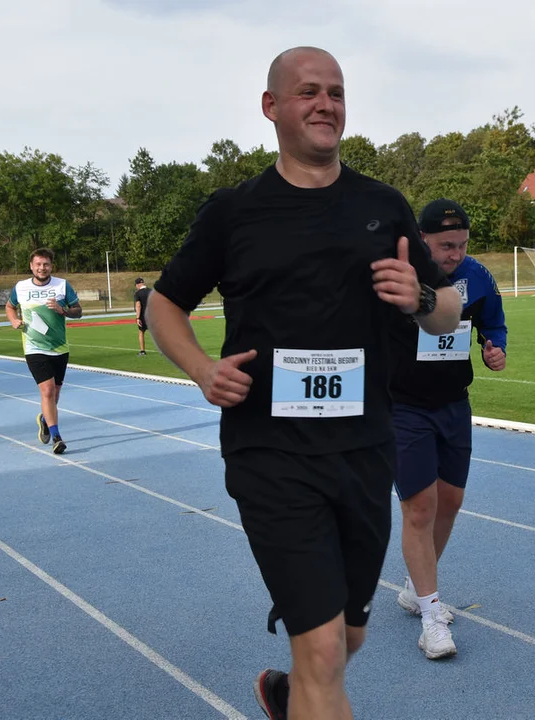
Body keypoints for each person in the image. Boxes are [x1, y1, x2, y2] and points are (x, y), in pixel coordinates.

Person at [145, 47, 461, 720]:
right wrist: (202, 369)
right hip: (271, 452)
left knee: (348, 637)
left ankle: (288, 699)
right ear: (272, 107)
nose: (326, 104)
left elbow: (447, 312)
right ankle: (305, 687)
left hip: (364, 447)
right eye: (309, 92)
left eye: (337, 93)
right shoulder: (235, 212)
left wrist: (418, 297)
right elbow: (163, 304)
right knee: (320, 653)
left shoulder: (381, 205)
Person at [391, 198, 507, 660]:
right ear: (422, 240)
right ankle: (431, 615)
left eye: (461, 244)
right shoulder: (400, 275)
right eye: (445, 245)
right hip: (402, 406)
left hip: (453, 404)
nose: (455, 254)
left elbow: (492, 324)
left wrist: (494, 348)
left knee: (451, 501)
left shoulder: (476, 276)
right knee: (420, 507)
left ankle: (414, 588)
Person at [5, 248, 82, 455]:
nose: (42, 268)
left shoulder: (62, 285)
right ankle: (57, 437)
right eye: (38, 264)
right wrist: (14, 320)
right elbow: (10, 306)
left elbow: (79, 312)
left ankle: (45, 419)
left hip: (59, 348)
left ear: (51, 266)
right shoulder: (20, 287)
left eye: (46, 264)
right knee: (47, 390)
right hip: (33, 347)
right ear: (31, 266)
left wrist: (63, 310)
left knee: (55, 394)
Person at [133, 278, 152, 356]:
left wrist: (137, 318)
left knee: (141, 332)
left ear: (138, 284)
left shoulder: (138, 293)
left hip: (143, 316)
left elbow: (138, 305)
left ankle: (142, 351)